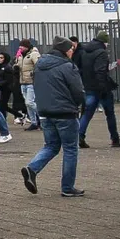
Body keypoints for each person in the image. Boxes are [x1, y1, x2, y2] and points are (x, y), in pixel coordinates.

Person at [21, 37, 86, 198]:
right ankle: (67, 187)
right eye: (71, 49)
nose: (72, 52)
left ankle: (32, 168)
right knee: (70, 149)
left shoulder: (40, 65)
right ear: (65, 50)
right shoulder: (67, 66)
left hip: (44, 112)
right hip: (65, 112)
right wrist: (79, 104)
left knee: (51, 145)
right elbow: (78, 91)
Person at [78, 32, 120, 149]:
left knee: (87, 113)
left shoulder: (84, 51)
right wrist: (103, 88)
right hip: (101, 88)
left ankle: (79, 135)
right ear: (104, 42)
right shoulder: (102, 53)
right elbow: (100, 71)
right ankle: (115, 139)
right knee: (109, 113)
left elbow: (81, 68)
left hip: (88, 86)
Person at [17, 38, 41, 130]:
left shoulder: (33, 54)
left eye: (22, 46)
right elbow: (19, 66)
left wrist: (33, 73)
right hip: (23, 82)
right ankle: (34, 122)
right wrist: (15, 67)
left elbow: (39, 65)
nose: (20, 48)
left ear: (26, 47)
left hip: (31, 82)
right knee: (28, 104)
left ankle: (43, 116)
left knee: (29, 102)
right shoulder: (20, 56)